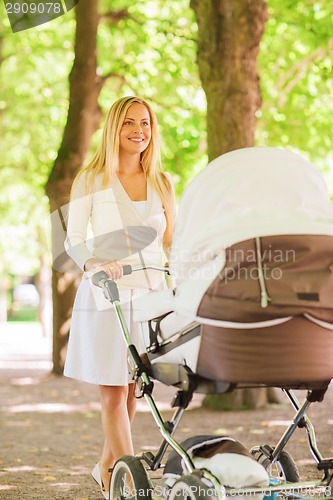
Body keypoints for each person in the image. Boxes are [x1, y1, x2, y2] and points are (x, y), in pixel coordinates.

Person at [63, 96, 176, 499]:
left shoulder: (163, 182)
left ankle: (109, 469)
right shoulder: (91, 179)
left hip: (151, 299)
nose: (139, 131)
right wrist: (95, 262)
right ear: (114, 127)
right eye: (130, 123)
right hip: (107, 295)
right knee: (113, 392)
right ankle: (135, 483)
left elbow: (171, 243)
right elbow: (74, 239)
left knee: (132, 391)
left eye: (145, 123)